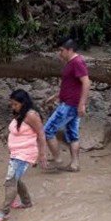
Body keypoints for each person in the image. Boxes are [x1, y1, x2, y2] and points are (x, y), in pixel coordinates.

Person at [0, 89, 48, 221]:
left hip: (24, 154)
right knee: (16, 179)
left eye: (15, 104)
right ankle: (26, 202)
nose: (13, 107)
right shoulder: (20, 113)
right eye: (12, 104)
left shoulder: (31, 115)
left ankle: (3, 212)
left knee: (10, 181)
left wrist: (42, 154)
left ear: (24, 102)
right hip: (16, 153)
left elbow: (41, 134)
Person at [43, 39, 91, 172]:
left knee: (47, 130)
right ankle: (74, 164)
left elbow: (86, 83)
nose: (59, 53)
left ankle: (57, 159)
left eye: (61, 50)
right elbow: (71, 85)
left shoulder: (77, 62)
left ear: (70, 50)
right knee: (72, 134)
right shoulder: (72, 63)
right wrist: (56, 96)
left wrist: (82, 104)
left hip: (70, 105)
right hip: (71, 103)